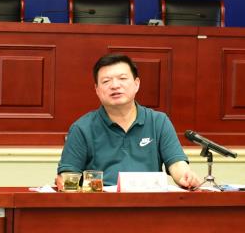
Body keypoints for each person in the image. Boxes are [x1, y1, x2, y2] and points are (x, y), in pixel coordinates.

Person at [57, 54, 202, 189]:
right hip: (101, 204)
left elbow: (176, 164)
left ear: (136, 84)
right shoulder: (82, 128)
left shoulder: (158, 121)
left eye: (122, 78)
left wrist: (185, 176)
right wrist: (64, 180)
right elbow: (68, 174)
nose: (115, 85)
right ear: (97, 90)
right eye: (106, 81)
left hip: (149, 202)